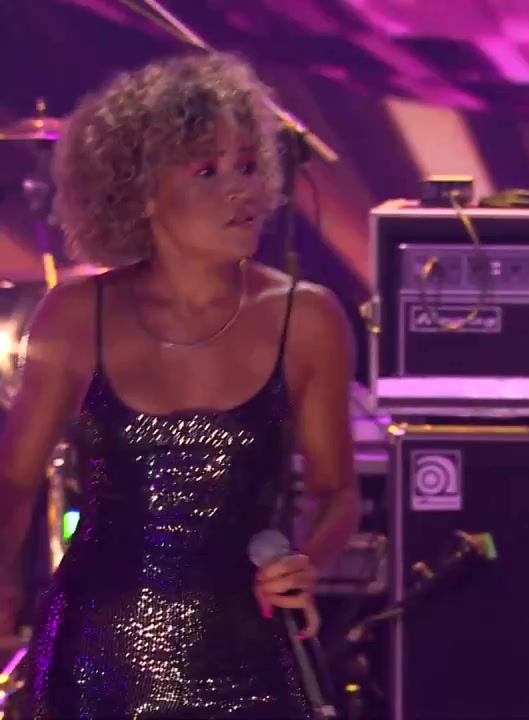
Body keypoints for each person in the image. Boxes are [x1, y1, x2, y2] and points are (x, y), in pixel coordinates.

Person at [0, 53, 360, 718]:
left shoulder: (307, 319)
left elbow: (338, 492)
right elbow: (14, 481)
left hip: (249, 651)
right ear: (139, 191)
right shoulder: (76, 314)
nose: (242, 190)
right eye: (207, 171)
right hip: (97, 655)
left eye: (248, 166)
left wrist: (308, 560)